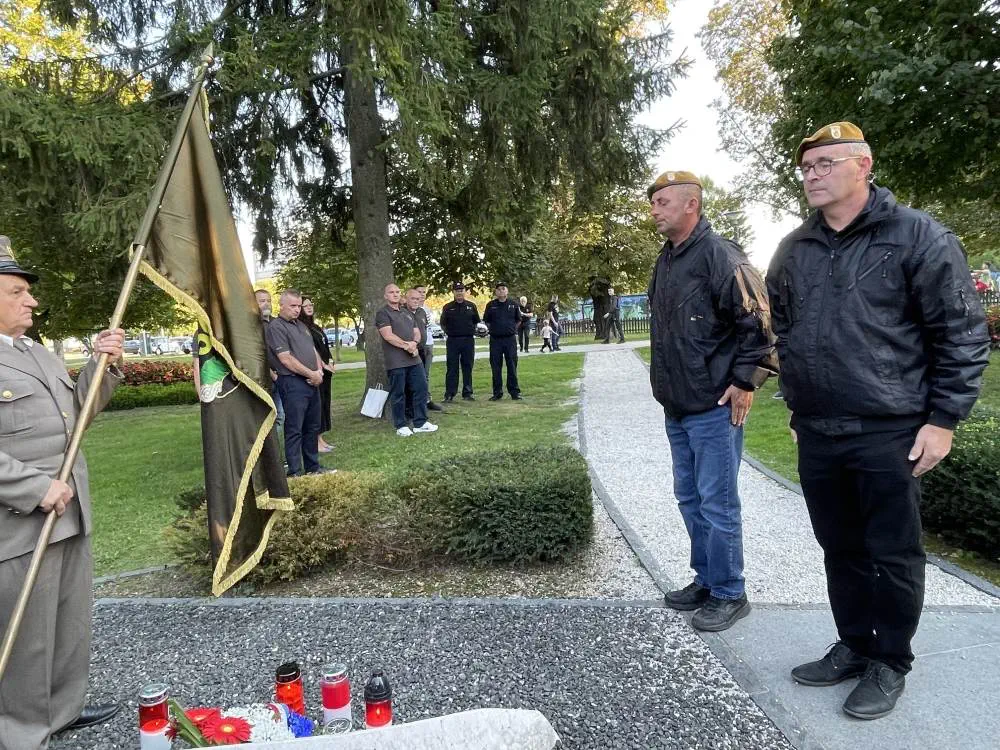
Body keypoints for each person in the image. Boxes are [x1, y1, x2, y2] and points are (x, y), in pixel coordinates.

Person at [767, 122, 990, 720]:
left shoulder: (918, 237)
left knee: (892, 552)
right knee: (839, 547)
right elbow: (786, 333)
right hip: (819, 429)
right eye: (806, 166)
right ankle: (854, 643)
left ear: (863, 165)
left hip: (889, 427)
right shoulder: (794, 249)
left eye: (825, 163)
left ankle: (890, 660)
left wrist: (943, 419)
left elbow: (961, 333)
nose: (812, 174)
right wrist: (796, 403)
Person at [0, 237, 125, 749]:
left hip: (70, 508)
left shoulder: (37, 353)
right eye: (17, 292)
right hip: (22, 519)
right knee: (27, 633)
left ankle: (62, 709)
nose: (31, 301)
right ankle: (23, 731)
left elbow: (79, 415)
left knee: (68, 621)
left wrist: (103, 365)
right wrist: (33, 487)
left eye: (28, 292)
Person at [647, 170, 776, 632]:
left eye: (663, 202)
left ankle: (729, 591)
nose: (655, 210)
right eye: (654, 202)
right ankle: (706, 578)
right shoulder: (667, 260)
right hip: (678, 404)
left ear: (690, 205)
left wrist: (745, 383)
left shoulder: (722, 256)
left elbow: (759, 325)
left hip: (714, 406)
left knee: (718, 503)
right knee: (690, 497)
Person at [265, 289, 329, 476]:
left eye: (299, 306)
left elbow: (312, 350)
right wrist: (311, 373)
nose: (297, 309)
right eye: (293, 306)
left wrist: (318, 371)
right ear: (281, 305)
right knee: (295, 427)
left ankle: (313, 467)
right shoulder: (276, 327)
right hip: (293, 382)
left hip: (312, 381)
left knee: (312, 426)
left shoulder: (300, 325)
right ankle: (294, 471)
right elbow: (286, 359)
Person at [376, 283, 438, 437]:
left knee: (421, 388)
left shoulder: (407, 312)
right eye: (391, 292)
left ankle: (420, 423)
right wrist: (406, 346)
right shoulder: (383, 313)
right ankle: (401, 425)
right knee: (399, 393)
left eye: (397, 292)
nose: (395, 294)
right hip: (396, 361)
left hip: (414, 359)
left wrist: (414, 344)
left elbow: (416, 332)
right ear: (385, 296)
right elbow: (388, 335)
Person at [300, 298, 336, 453]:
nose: (309, 308)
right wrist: (322, 364)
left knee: (325, 403)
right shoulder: (301, 327)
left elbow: (324, 346)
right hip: (316, 370)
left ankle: (321, 438)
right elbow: (310, 349)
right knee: (317, 405)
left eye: (310, 305)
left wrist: (331, 360)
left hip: (326, 370)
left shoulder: (314, 326)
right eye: (305, 306)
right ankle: (315, 441)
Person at [439, 282, 480, 402]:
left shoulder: (471, 306)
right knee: (452, 367)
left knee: (467, 366)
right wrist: (450, 332)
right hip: (453, 341)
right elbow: (443, 323)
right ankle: (450, 394)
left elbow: (475, 321)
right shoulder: (447, 307)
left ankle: (467, 392)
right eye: (457, 290)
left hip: (468, 340)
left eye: (461, 290)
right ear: (453, 292)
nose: (459, 292)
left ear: (465, 292)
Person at [483, 281, 523, 401]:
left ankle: (514, 392)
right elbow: (487, 320)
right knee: (496, 366)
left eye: (503, 289)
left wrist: (512, 330)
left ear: (507, 291)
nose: (501, 291)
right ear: (496, 292)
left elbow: (519, 320)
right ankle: (497, 392)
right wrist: (493, 330)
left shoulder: (513, 304)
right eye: (499, 289)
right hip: (495, 340)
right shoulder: (491, 305)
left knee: (512, 365)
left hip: (510, 340)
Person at [255, 288, 284, 429]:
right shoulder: (253, 326)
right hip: (265, 380)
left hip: (282, 377)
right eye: (262, 301)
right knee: (265, 417)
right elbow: (257, 354)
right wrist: (272, 374)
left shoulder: (277, 323)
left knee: (280, 416)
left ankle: (274, 449)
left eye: (269, 301)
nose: (267, 304)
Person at [412, 285, 442, 412]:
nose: (422, 294)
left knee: (426, 374)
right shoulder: (412, 310)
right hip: (418, 346)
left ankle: (427, 399)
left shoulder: (427, 310)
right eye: (419, 292)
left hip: (429, 345)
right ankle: (416, 401)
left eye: (424, 292)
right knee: (417, 375)